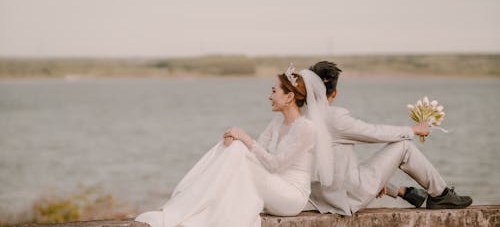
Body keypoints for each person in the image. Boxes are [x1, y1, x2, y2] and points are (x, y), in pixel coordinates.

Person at [135, 67, 326, 227]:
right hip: (272, 186)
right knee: (236, 148)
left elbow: (275, 165)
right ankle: (193, 203)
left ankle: (191, 203)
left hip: (290, 197)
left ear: (289, 96)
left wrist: (244, 138)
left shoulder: (306, 129)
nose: (270, 96)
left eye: (274, 91)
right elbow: (257, 153)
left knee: (240, 148)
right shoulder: (277, 123)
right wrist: (236, 140)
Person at [305, 61, 473, 215]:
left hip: (321, 200)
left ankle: (405, 192)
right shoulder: (334, 117)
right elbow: (373, 133)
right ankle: (442, 194)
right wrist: (413, 129)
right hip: (347, 198)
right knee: (404, 146)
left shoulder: (301, 118)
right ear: (334, 92)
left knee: (354, 163)